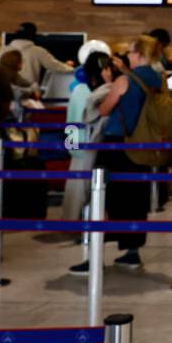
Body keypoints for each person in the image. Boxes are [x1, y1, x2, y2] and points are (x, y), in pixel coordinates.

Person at [69, 35, 165, 273]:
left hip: (116, 146)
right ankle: (132, 251)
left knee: (102, 199)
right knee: (136, 199)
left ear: (140, 54)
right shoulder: (157, 79)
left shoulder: (124, 81)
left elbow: (103, 109)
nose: (127, 56)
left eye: (131, 52)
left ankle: (94, 256)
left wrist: (112, 82)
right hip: (143, 145)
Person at [62, 51, 115, 220]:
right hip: (95, 147)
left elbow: (71, 119)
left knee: (77, 190)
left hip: (79, 147)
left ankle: (74, 221)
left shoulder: (78, 90)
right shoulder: (104, 91)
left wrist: (72, 147)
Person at [0, 22, 74, 88]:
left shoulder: (2, 50)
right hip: (30, 92)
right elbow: (55, 66)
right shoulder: (38, 51)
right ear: (33, 36)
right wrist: (72, 69)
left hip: (5, 93)